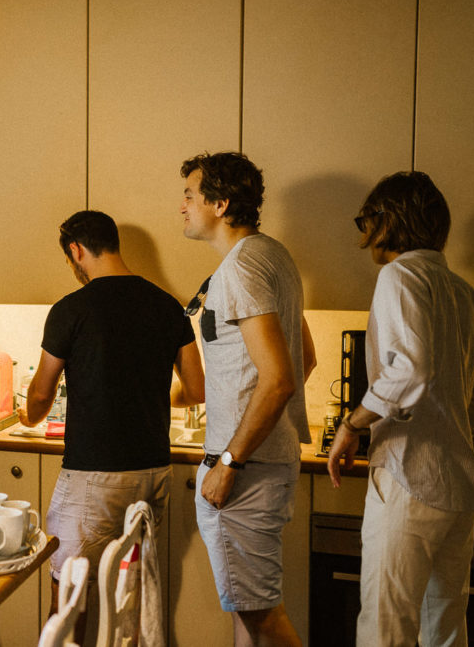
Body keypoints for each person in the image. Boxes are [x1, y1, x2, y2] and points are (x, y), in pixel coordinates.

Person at [17, 210, 205, 644]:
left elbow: (42, 394)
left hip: (92, 477)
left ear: (76, 251)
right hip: (152, 475)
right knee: (131, 599)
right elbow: (196, 389)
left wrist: (29, 417)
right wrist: (155, 396)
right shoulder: (167, 305)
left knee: (67, 601)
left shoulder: (71, 309)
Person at [327, 171, 474, 646]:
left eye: (365, 220)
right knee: (445, 628)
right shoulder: (465, 293)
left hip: (408, 476)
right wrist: (454, 423)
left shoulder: (400, 275)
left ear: (387, 221)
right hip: (458, 486)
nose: (362, 234)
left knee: (385, 628)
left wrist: (352, 425)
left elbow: (410, 370)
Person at [179, 152, 316, 647]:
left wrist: (230, 460)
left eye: (191, 196)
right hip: (264, 461)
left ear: (220, 203)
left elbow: (280, 379)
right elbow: (306, 357)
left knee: (261, 617)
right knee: (247, 613)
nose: (183, 206)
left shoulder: (240, 270)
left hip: (246, 469)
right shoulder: (273, 256)